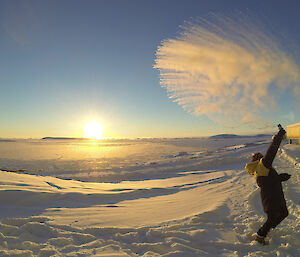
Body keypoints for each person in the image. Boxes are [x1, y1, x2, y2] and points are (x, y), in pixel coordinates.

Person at [245, 126, 291, 245]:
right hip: (271, 199)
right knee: (273, 217)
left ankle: (268, 229)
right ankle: (260, 236)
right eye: (262, 157)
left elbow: (270, 180)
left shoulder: (263, 170)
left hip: (275, 196)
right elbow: (272, 151)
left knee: (284, 213)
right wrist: (279, 136)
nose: (264, 158)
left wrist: (281, 177)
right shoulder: (263, 165)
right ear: (258, 159)